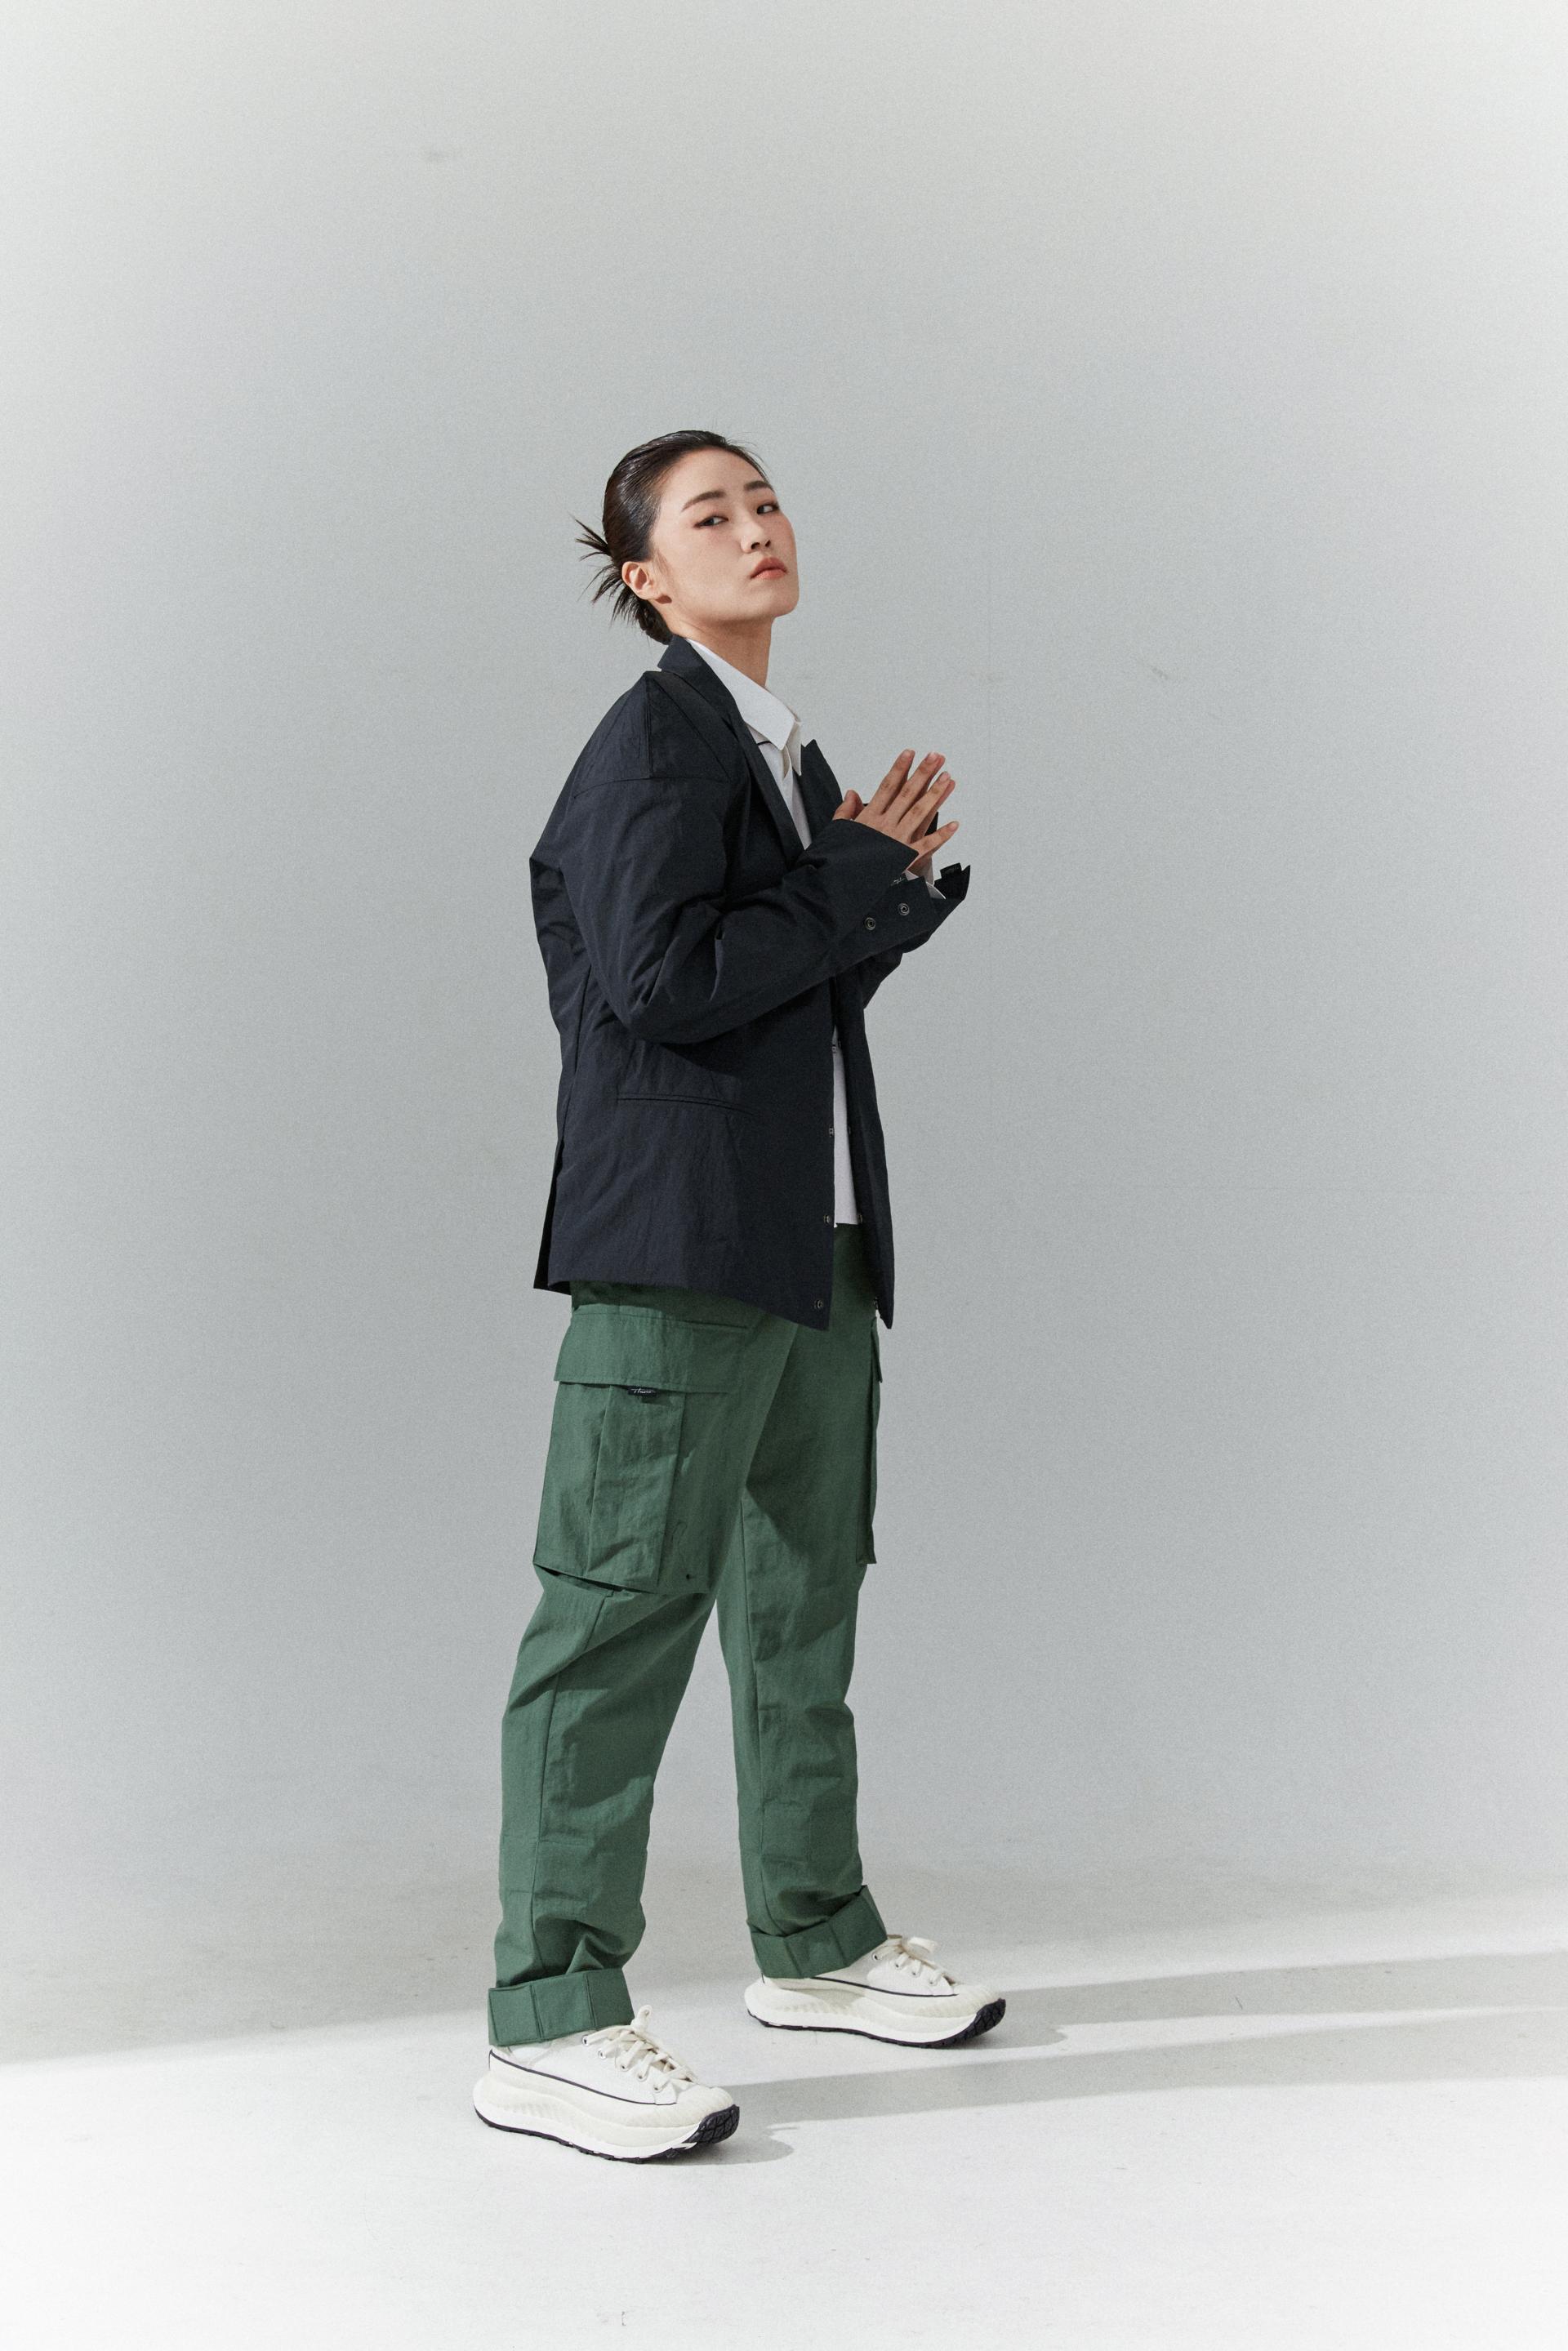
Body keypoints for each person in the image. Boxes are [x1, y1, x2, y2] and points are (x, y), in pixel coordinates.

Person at [473, 430, 1000, 2162]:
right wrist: (844, 884)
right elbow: (659, 984)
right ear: (646, 577)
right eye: (713, 514)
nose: (757, 527)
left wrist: (882, 903)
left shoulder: (780, 752)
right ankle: (551, 2020)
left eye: (765, 500)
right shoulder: (655, 744)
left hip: (808, 1244)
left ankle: (819, 1940)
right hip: (682, 1249)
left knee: (797, 1607)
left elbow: (773, 999)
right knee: (617, 1616)